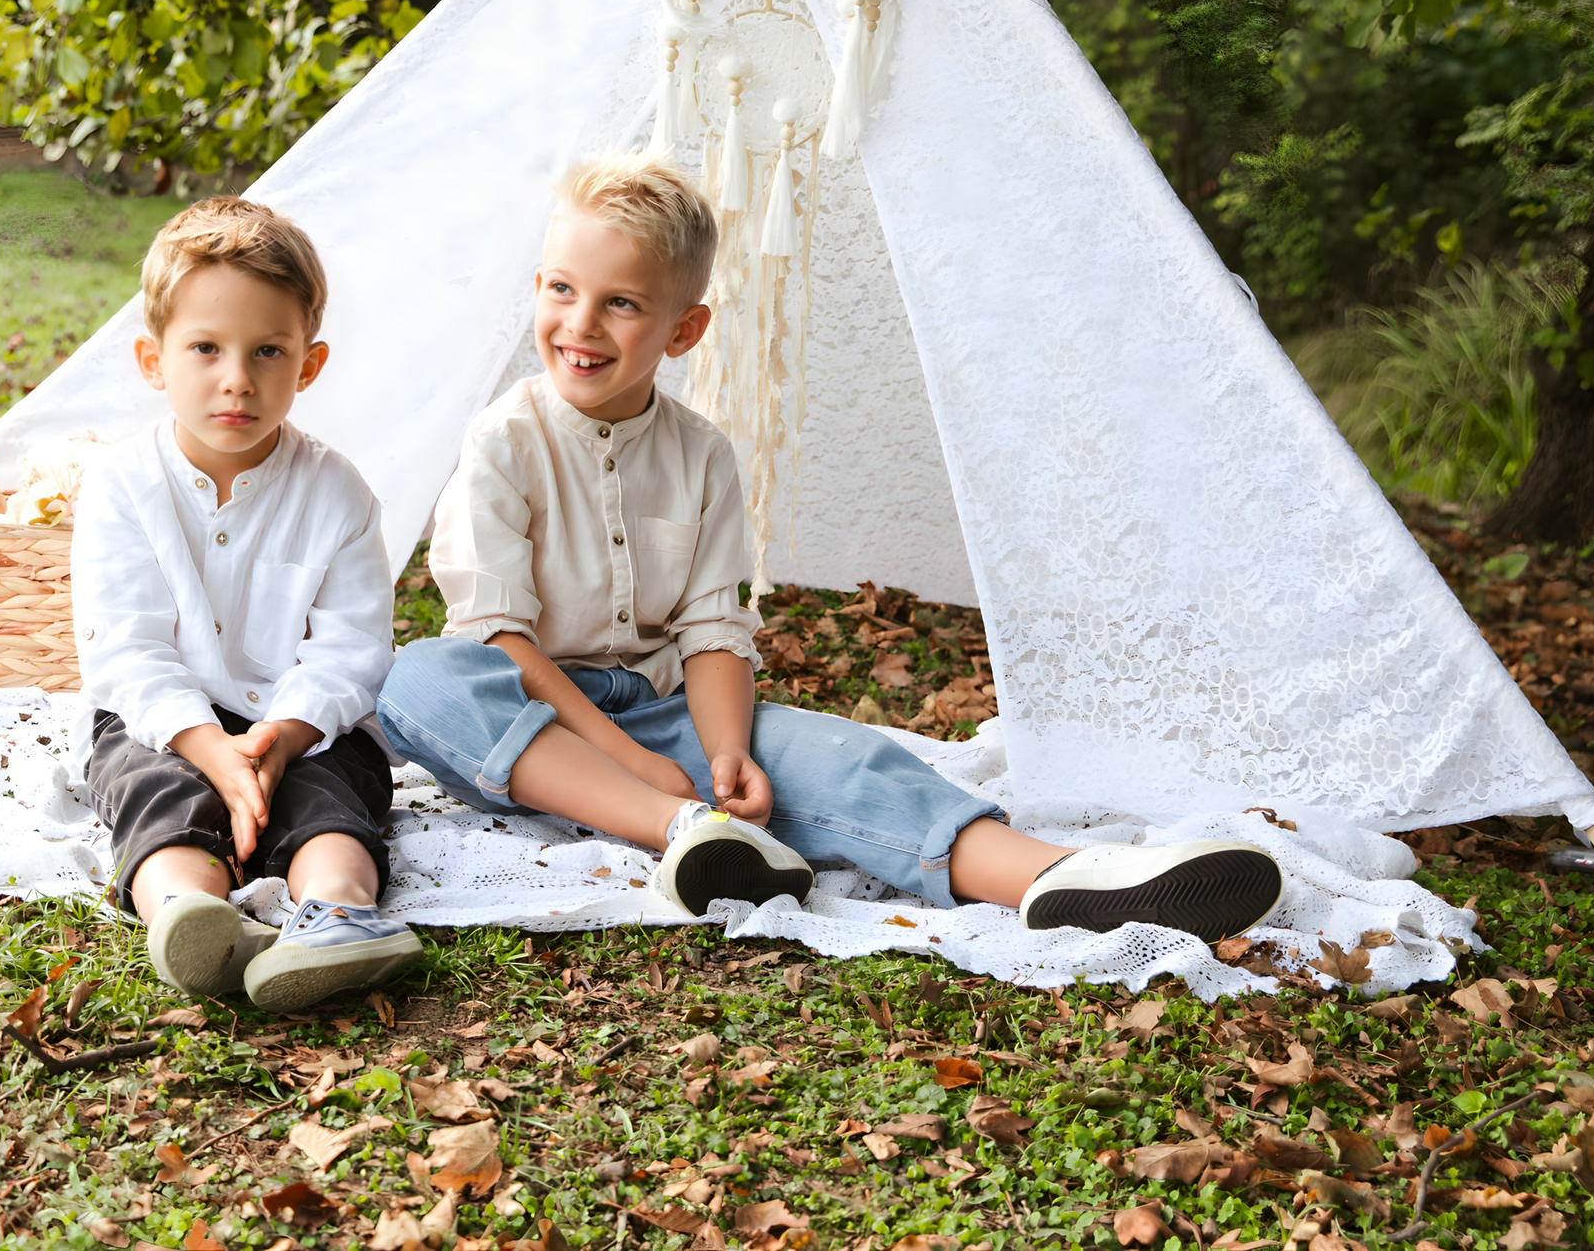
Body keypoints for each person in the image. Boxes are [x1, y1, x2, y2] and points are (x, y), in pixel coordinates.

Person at [375, 154, 1284, 940]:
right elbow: (498, 635)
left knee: (840, 756)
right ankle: (679, 830)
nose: (581, 324)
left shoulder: (700, 455)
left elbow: (714, 628)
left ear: (684, 330)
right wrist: (633, 765)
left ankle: (1054, 876)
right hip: (535, 719)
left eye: (621, 304)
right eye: (562, 290)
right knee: (416, 679)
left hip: (663, 708)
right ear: (538, 287)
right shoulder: (505, 440)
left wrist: (726, 751)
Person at [71, 197, 421, 1010]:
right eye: (206, 349)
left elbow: (350, 649)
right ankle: (193, 918)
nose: (238, 378)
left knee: (335, 799)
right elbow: (126, 648)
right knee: (157, 794)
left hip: (304, 724)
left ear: (309, 364)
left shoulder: (338, 493)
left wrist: (278, 738)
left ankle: (339, 917)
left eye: (268, 351)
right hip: (162, 719)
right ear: (153, 360)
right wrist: (207, 746)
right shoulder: (123, 486)